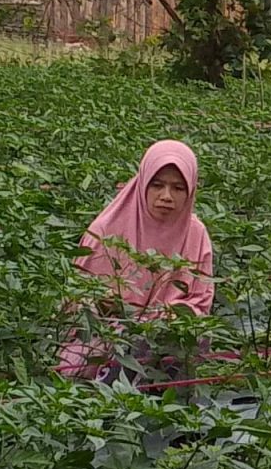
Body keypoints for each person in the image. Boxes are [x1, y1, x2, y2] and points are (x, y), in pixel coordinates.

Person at [57, 140, 215, 381]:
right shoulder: (106, 229)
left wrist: (173, 316)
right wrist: (107, 306)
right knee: (76, 369)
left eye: (178, 188)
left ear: (191, 190)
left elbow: (200, 300)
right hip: (108, 333)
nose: (166, 197)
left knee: (190, 339)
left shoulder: (195, 233)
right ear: (142, 184)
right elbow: (77, 299)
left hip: (165, 333)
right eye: (157, 185)